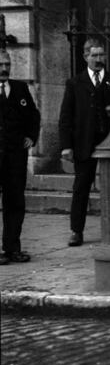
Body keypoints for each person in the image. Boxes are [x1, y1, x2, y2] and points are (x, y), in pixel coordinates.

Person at [59, 38, 110, 247]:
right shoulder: (75, 83)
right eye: (94, 55)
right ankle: (76, 230)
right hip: (84, 143)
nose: (99, 59)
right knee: (81, 187)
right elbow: (65, 117)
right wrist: (66, 146)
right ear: (85, 57)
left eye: (101, 55)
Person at [0, 49, 41, 264]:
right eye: (0, 65)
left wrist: (31, 137)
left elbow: (33, 115)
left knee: (15, 201)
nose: (4, 69)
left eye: (7, 64)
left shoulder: (20, 88)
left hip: (15, 156)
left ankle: (12, 248)